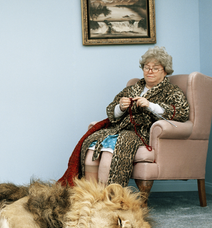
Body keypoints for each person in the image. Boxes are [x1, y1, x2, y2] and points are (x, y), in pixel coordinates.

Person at [79, 46, 190, 186]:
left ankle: (108, 197)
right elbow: (111, 109)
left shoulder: (172, 91)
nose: (149, 71)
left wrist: (150, 105)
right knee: (91, 146)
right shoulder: (132, 88)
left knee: (109, 152)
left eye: (155, 68)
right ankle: (89, 196)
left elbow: (182, 112)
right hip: (120, 128)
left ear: (165, 71)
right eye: (146, 67)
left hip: (142, 132)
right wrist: (121, 107)